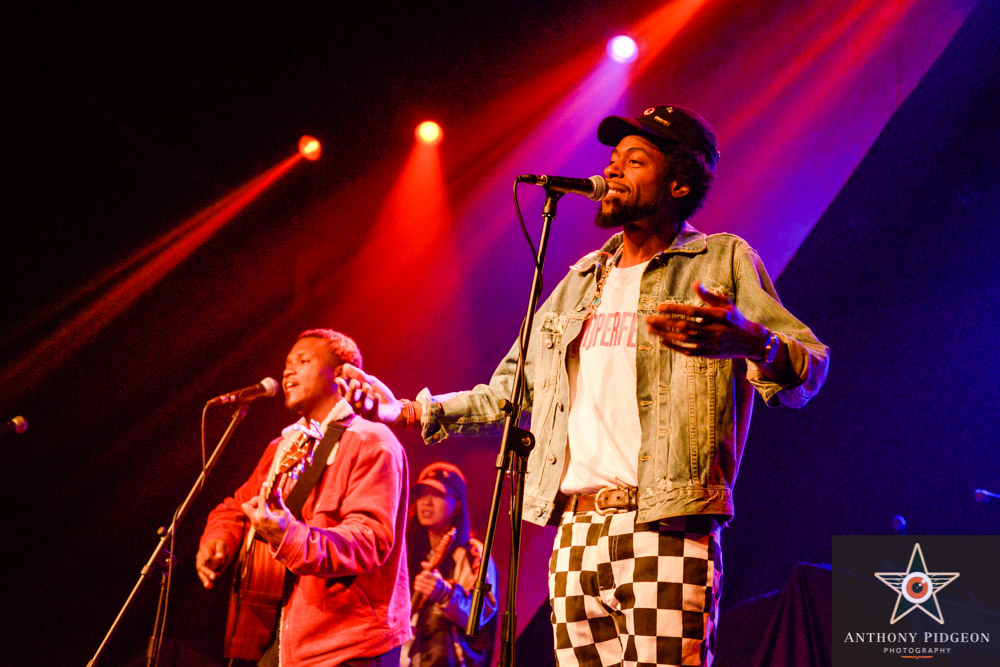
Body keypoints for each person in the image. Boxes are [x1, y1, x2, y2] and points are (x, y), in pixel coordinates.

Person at [340, 105, 830, 667]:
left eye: (635, 160)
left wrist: (754, 342)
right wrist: (404, 409)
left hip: (666, 525)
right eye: (613, 159)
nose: (613, 171)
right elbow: (508, 391)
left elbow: (811, 368)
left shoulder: (721, 259)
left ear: (679, 181)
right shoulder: (581, 281)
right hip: (575, 533)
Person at [196, 329, 411, 667]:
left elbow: (370, 540)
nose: (287, 371)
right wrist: (218, 537)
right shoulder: (281, 447)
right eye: (286, 364)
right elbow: (237, 506)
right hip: (276, 636)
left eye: (303, 361)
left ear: (340, 375)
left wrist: (289, 537)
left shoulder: (371, 441)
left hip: (345, 645)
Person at [402, 462, 498, 667]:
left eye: (437, 494)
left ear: (457, 505)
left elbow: (479, 613)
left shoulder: (473, 554)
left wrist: (444, 593)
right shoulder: (407, 551)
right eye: (422, 494)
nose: (426, 502)